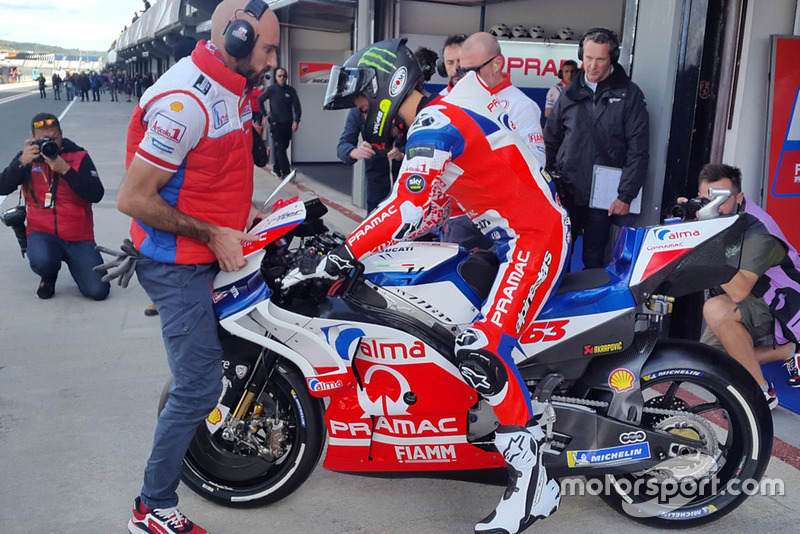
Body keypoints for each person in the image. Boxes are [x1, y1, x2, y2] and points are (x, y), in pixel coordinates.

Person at [311, 38, 569, 534]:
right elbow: (428, 209)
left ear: (386, 86)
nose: (362, 112)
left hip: (533, 239)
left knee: (483, 348)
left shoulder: (435, 121)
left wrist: (346, 253)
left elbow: (405, 208)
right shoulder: (438, 117)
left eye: (363, 100)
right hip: (512, 239)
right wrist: (361, 247)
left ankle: (534, 483)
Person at [116, 1, 278, 532]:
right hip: (177, 263)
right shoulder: (185, 103)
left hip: (212, 248)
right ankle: (152, 506)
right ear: (234, 40)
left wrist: (243, 211)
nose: (275, 61)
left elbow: (217, 170)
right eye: (269, 49)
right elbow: (134, 198)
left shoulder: (235, 87)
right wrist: (212, 232)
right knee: (200, 386)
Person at [695, 164, 800, 408]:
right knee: (705, 362)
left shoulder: (759, 230)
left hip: (786, 303)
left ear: (739, 197)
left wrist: (703, 239)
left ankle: (761, 393)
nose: (712, 208)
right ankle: (786, 351)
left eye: (719, 199)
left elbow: (739, 290)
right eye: (704, 200)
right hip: (752, 298)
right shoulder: (722, 216)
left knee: (715, 309)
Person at [544, 28, 649, 269]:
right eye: (588, 58)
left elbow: (638, 149)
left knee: (594, 260)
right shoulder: (567, 94)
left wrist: (626, 195)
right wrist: (548, 186)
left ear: (612, 58)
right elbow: (550, 141)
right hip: (566, 191)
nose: (592, 66)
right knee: (560, 258)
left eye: (600, 59)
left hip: (605, 197)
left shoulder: (630, 95)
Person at [0, 113, 109, 300]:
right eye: (43, 138)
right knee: (43, 260)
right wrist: (21, 163)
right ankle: (48, 275)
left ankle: (75, 264)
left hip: (79, 236)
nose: (49, 142)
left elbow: (96, 194)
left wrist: (65, 169)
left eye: (54, 137)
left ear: (61, 134)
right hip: (42, 232)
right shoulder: (27, 158)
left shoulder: (79, 155)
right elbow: (3, 187)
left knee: (98, 291)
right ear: (33, 138)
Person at [337, 107, 403, 213]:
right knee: (375, 218)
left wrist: (402, 154)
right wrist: (354, 152)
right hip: (376, 177)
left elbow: (422, 143)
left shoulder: (401, 104)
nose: (365, 114)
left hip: (406, 176)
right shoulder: (357, 109)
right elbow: (343, 145)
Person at [258, 66, 301, 178]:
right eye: (280, 76)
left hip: (288, 124)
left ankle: (276, 169)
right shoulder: (271, 89)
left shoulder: (291, 91)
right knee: (280, 148)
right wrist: (264, 113)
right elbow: (260, 99)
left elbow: (297, 107)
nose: (282, 78)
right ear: (276, 77)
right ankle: (287, 173)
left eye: (284, 76)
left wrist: (296, 121)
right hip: (275, 124)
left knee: (283, 147)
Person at [435, 33, 468, 99]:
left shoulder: (491, 98)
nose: (455, 69)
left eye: (460, 61)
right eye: (450, 63)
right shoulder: (438, 104)